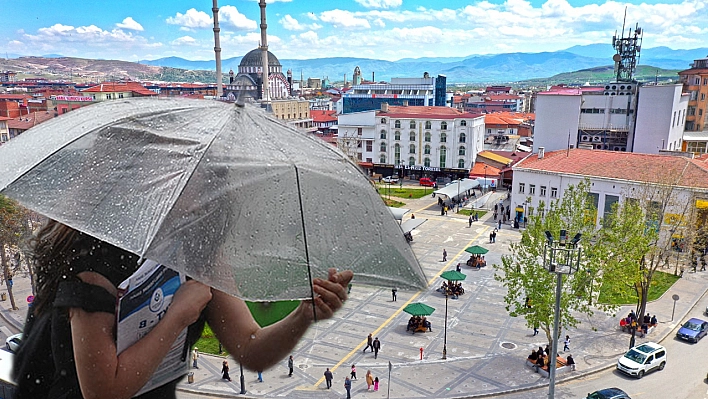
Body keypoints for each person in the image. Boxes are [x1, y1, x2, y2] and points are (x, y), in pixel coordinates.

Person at [13, 220, 353, 399]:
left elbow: (251, 347)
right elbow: (104, 392)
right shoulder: (95, 259)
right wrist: (178, 315)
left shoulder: (198, 248)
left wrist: (304, 315)